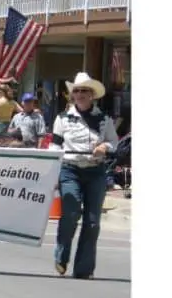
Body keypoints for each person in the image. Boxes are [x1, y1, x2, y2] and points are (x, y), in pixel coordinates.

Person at [49, 72, 119, 280]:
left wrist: (104, 147)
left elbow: (114, 143)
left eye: (84, 91)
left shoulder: (104, 119)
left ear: (92, 95)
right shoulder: (62, 119)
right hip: (69, 169)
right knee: (70, 213)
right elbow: (55, 144)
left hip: (95, 170)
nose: (79, 94)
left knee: (92, 222)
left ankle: (84, 268)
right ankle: (61, 257)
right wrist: (53, 169)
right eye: (76, 91)